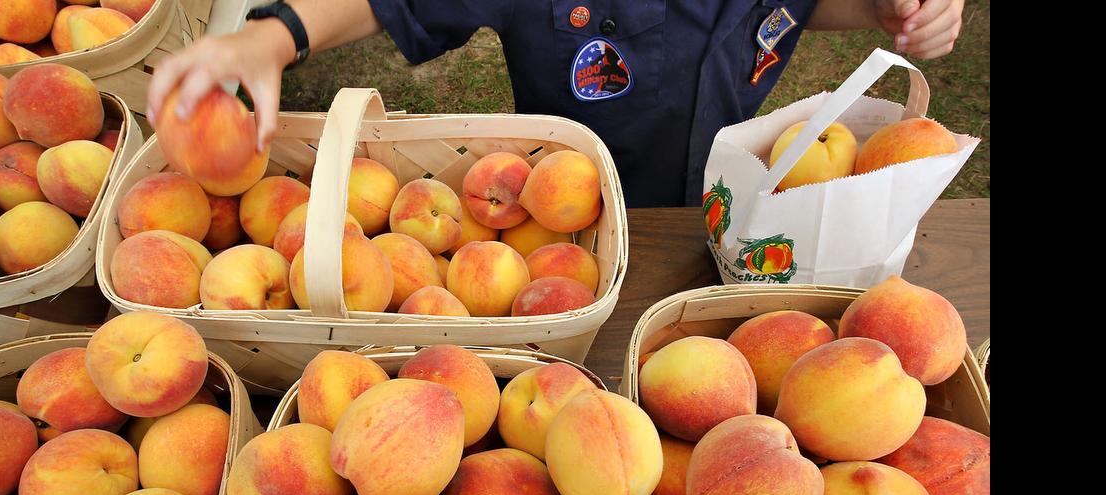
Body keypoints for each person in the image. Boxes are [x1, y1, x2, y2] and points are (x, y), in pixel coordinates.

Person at [148, 0, 966, 208]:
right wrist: (274, 36)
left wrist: (892, 13)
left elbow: (791, 9)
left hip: (740, 202)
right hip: (567, 210)